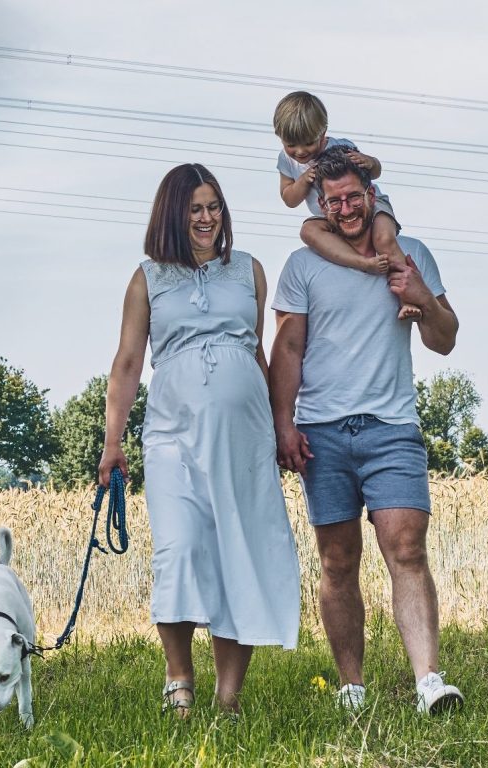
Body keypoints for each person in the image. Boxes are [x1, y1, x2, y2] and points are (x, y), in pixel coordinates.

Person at [99, 163, 300, 719]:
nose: (208, 218)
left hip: (244, 438)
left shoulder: (249, 271)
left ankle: (229, 697)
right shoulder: (148, 278)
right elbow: (128, 362)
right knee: (180, 548)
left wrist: (283, 424)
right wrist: (111, 441)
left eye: (214, 206)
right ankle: (179, 673)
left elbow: (258, 352)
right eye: (195, 209)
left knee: (241, 550)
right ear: (173, 214)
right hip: (172, 436)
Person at [269, 145, 464, 715]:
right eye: (334, 201)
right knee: (337, 562)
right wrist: (284, 424)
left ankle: (429, 681)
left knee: (406, 548)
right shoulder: (302, 266)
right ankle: (352, 688)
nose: (346, 208)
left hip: (392, 426)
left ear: (373, 197)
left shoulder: (412, 252)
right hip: (322, 431)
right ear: (320, 205)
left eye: (355, 197)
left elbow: (445, 338)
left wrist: (419, 294)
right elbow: (289, 350)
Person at [273, 90, 420, 321]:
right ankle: (362, 263)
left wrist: (370, 162)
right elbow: (289, 199)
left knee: (383, 240)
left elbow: (375, 172)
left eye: (309, 143)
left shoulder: (342, 145)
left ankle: (408, 299)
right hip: (331, 215)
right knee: (308, 231)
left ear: (323, 133)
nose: (300, 152)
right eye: (291, 145)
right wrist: (303, 181)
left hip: (369, 206)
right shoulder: (286, 160)